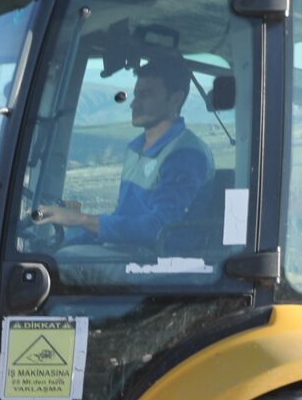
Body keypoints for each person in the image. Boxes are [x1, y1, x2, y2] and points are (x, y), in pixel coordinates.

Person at [35, 55, 215, 258]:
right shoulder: (136, 149)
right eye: (136, 95)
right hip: (127, 250)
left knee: (61, 264)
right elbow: (124, 219)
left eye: (145, 95)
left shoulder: (185, 155)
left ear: (175, 99)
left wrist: (82, 219)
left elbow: (161, 228)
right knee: (47, 253)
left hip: (161, 263)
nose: (134, 104)